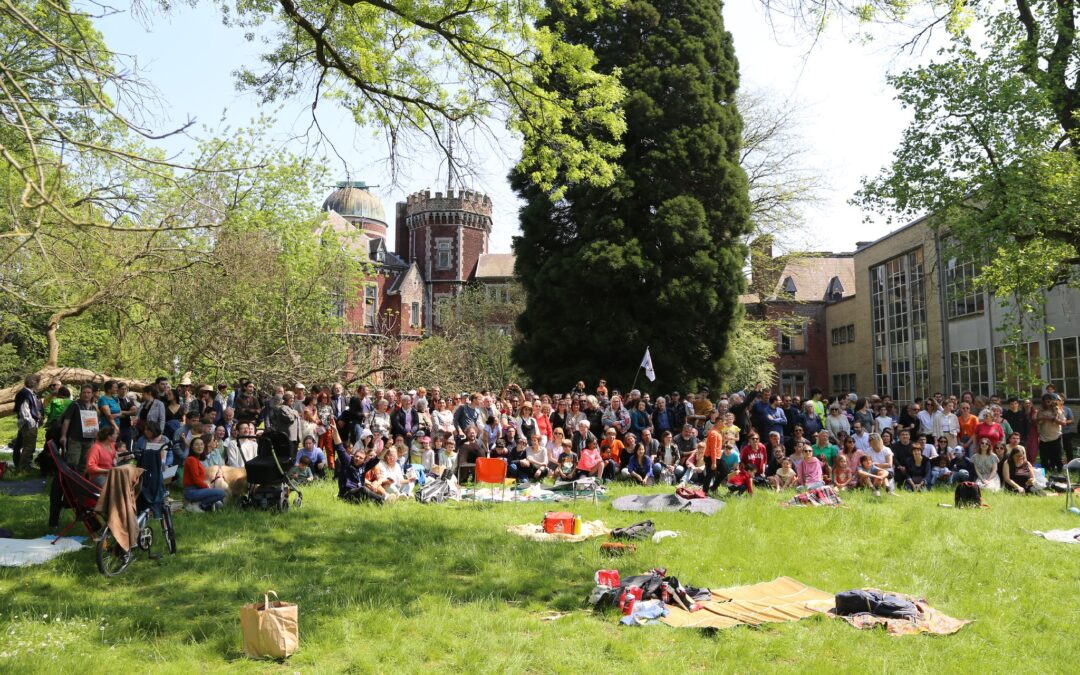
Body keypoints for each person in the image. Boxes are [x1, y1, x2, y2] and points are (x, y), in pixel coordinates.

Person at [58, 384, 99, 472]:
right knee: (73, 463)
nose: (86, 395)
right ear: (80, 394)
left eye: (88, 393)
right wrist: (63, 436)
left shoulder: (94, 407)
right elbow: (67, 420)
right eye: (84, 392)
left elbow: (96, 424)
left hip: (89, 440)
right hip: (75, 439)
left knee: (85, 464)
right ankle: (69, 483)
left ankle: (80, 484)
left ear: (92, 394)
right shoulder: (75, 405)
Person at [183, 438, 226, 512]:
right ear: (192, 447)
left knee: (219, 500)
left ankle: (201, 504)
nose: (200, 446)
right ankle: (199, 505)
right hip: (192, 491)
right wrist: (207, 487)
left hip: (198, 489)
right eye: (197, 444)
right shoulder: (191, 459)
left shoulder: (197, 460)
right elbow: (195, 479)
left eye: (201, 444)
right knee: (221, 493)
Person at [13, 374, 43, 472]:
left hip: (28, 424)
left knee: (27, 446)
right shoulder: (25, 393)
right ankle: (22, 468)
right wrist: (32, 423)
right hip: (28, 424)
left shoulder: (29, 393)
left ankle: (26, 466)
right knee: (29, 447)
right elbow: (24, 411)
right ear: (35, 383)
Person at [1036, 394, 1067, 472]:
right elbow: (1036, 421)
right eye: (1045, 400)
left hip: (1056, 437)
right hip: (1044, 438)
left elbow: (1064, 423)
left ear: (1053, 401)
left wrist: (1054, 419)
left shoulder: (1058, 410)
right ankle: (1046, 472)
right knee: (1044, 457)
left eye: (1049, 399)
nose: (1047, 401)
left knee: (1057, 457)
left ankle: (1060, 472)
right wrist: (1043, 418)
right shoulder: (1040, 411)